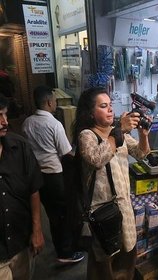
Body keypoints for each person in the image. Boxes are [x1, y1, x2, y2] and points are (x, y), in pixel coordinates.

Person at [73, 87, 150, 280]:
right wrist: (119, 131)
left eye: (110, 105)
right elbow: (97, 158)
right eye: (103, 106)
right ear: (91, 112)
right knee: (104, 261)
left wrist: (143, 134)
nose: (110, 110)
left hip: (123, 206)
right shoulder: (87, 136)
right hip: (102, 211)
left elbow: (141, 154)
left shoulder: (117, 132)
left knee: (127, 253)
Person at [21, 86, 84, 263]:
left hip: (38, 178)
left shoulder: (27, 123)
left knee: (53, 215)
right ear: (49, 102)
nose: (56, 103)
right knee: (65, 213)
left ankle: (61, 247)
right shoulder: (54, 124)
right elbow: (65, 152)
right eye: (55, 100)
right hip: (55, 177)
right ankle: (66, 253)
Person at [0, 93, 44, 280]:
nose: (5, 122)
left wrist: (37, 230)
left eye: (5, 114)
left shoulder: (19, 147)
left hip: (21, 242)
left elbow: (33, 190)